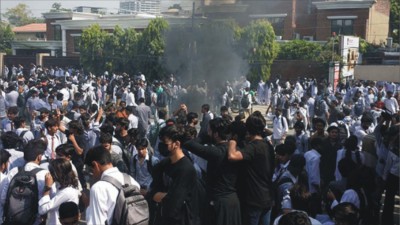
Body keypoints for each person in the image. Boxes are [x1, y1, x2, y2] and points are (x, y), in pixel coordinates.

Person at [183, 117, 241, 225]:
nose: (208, 133)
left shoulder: (215, 152)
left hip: (218, 203)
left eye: (209, 130)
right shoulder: (236, 150)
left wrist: (204, 136)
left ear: (216, 134)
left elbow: (188, 144)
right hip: (233, 201)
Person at [228, 112, 275, 225]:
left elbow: (232, 156)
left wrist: (233, 140)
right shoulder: (268, 146)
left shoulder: (252, 147)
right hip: (267, 198)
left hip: (254, 200)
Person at [149, 125, 198, 225]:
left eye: (165, 143)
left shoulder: (185, 169)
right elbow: (153, 190)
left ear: (176, 144)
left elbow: (174, 204)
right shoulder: (165, 163)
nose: (162, 145)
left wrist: (163, 197)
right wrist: (165, 196)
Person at [84, 145, 140, 225]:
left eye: (91, 170)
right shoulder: (132, 181)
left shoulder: (98, 188)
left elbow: (96, 222)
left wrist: (88, 207)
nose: (92, 175)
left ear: (95, 165)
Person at [0, 139, 48, 225]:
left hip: (13, 221)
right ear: (39, 157)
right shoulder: (44, 174)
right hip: (35, 221)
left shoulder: (13, 171)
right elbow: (45, 205)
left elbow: (3, 199)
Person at [38, 158, 80, 225]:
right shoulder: (62, 186)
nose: (49, 174)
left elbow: (42, 209)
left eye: (51, 172)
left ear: (57, 174)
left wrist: (47, 188)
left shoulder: (67, 192)